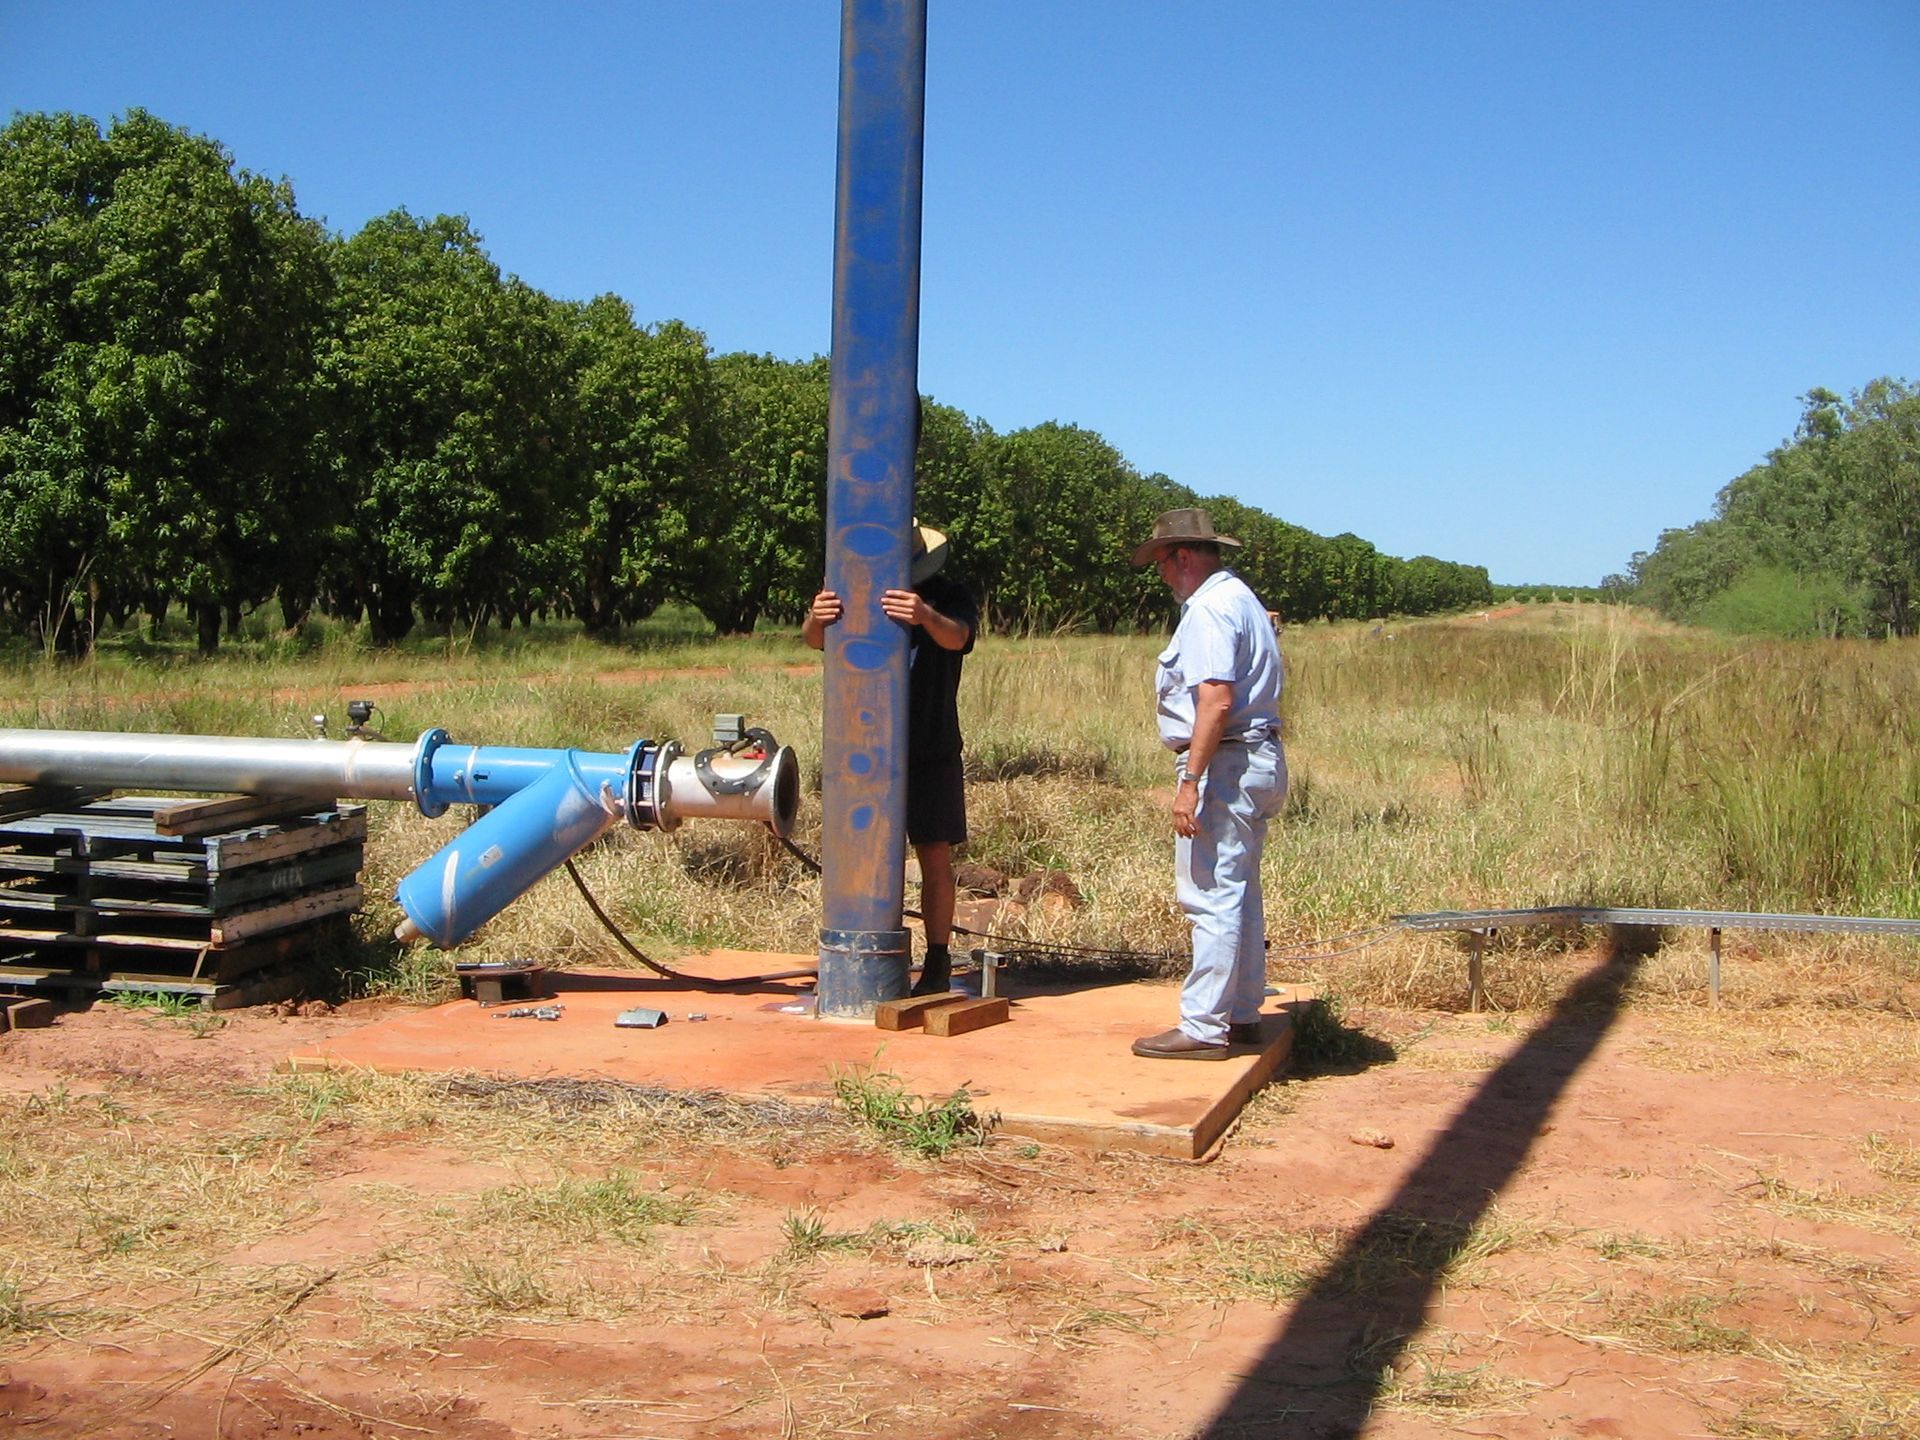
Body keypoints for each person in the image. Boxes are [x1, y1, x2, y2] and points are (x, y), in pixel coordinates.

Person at [1128, 508, 1288, 1060]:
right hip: (1255, 757)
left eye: (1163, 565)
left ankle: (1202, 1027)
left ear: (1184, 558)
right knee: (1238, 889)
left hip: (1227, 762)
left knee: (1211, 894)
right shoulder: (1240, 599)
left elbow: (1215, 698)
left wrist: (1190, 781)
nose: (1163, 577)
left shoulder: (1209, 610)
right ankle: (1240, 1012)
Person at [803, 521, 977, 996]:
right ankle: (864, 958)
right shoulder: (851, 587)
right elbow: (815, 639)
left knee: (934, 854)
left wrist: (924, 615)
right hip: (864, 746)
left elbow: (958, 637)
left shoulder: (948, 593)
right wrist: (817, 616)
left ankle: (938, 960)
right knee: (863, 851)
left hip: (930, 743)